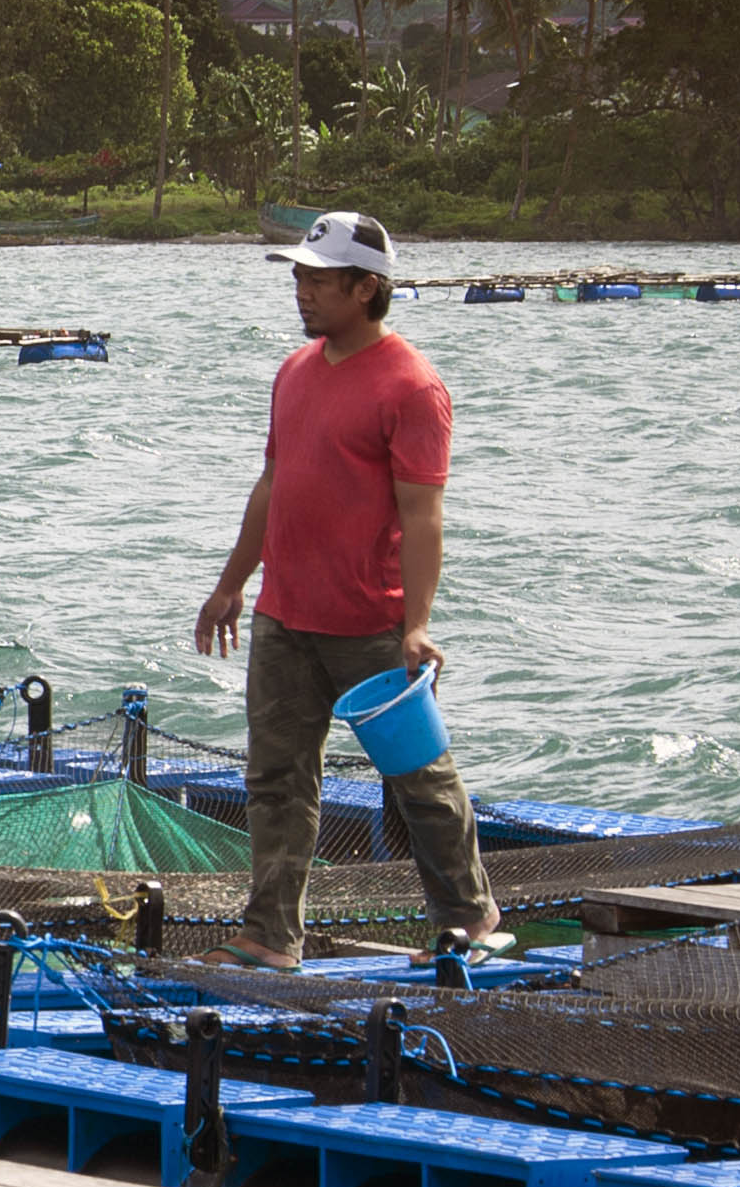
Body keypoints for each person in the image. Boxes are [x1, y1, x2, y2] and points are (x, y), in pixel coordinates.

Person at [193, 209, 506, 968]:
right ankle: (271, 936)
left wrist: (418, 624)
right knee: (275, 780)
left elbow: (423, 515)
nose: (301, 292)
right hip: (285, 616)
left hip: (373, 622)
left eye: (318, 281)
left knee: (417, 780)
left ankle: (473, 918)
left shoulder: (412, 386)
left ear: (367, 288)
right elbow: (272, 483)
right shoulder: (295, 372)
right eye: (298, 277)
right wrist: (232, 584)